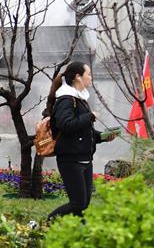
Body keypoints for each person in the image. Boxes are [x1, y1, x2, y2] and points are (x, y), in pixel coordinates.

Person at [47, 62, 116, 220]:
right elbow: (66, 125)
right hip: (71, 159)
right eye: (88, 74)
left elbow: (84, 132)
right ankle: (44, 224)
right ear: (78, 77)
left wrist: (102, 137)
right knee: (77, 203)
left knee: (83, 205)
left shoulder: (80, 99)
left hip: (84, 159)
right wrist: (90, 116)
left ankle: (77, 236)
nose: (91, 77)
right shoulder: (66, 99)